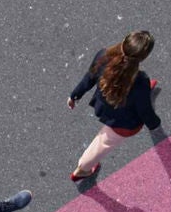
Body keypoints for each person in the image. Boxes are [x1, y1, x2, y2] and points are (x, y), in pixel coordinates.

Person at [68, 30, 161, 182]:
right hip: (124, 122)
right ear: (143, 58)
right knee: (101, 144)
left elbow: (89, 77)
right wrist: (154, 125)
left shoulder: (103, 55)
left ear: (124, 41)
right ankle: (82, 169)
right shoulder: (140, 81)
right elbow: (145, 111)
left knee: (102, 142)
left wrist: (74, 96)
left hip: (105, 107)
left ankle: (83, 169)